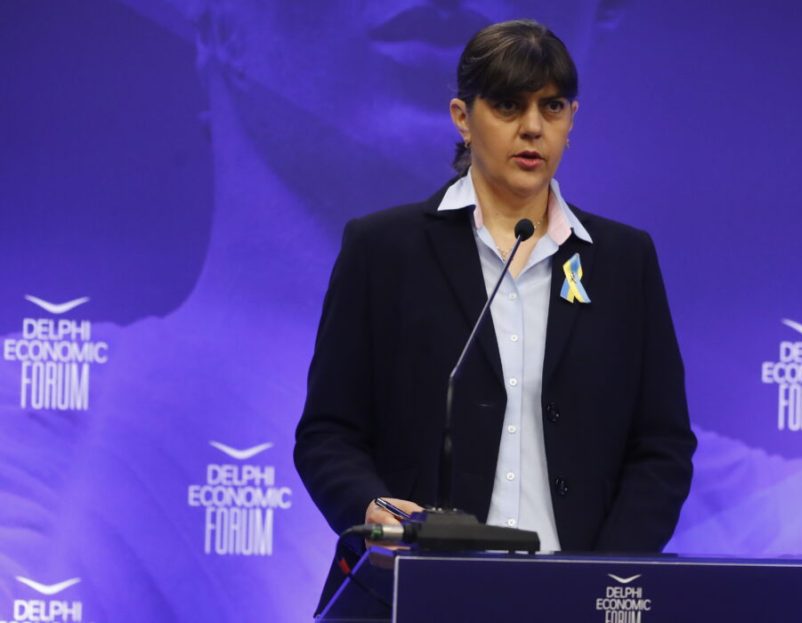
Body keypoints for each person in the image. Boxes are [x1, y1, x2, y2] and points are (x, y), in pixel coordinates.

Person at [294, 19, 696, 614]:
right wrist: (376, 509)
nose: (533, 127)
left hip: (574, 597)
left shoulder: (623, 260)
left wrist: (604, 576)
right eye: (509, 105)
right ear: (462, 117)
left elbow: (662, 445)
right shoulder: (383, 249)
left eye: (551, 107)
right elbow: (327, 434)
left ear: (571, 119)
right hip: (415, 591)